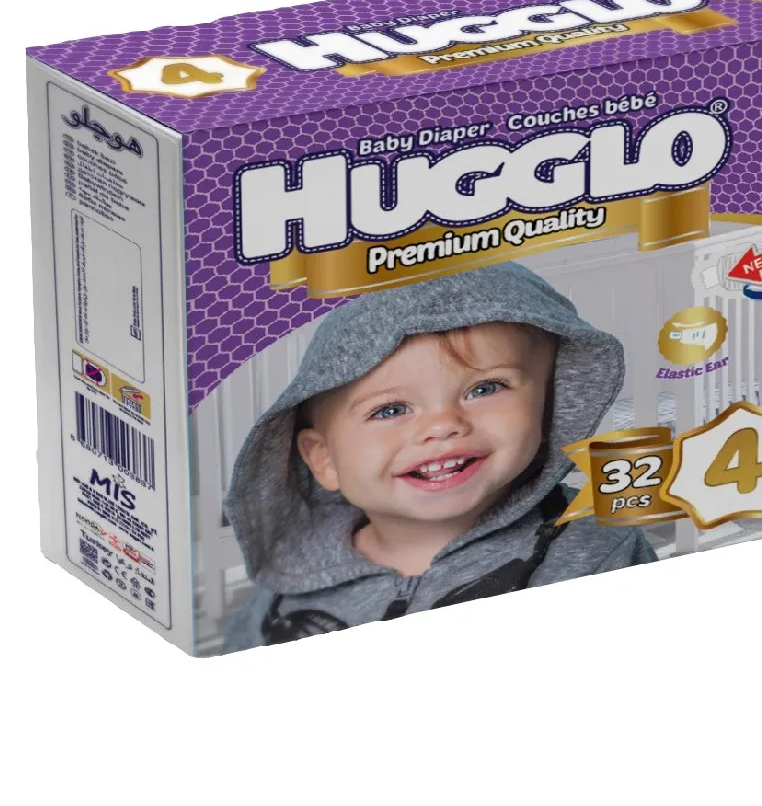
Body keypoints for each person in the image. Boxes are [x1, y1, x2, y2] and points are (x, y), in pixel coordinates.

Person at [222, 262, 657, 651]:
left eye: (484, 388)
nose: (443, 425)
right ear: (324, 460)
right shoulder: (285, 593)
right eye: (390, 410)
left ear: (550, 402)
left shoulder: (594, 550)